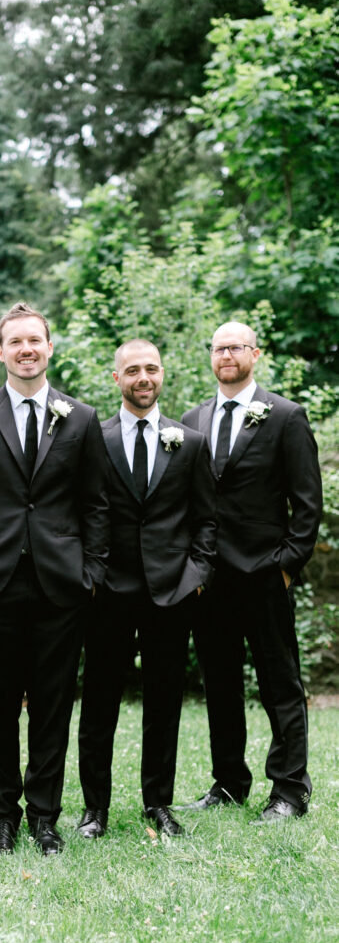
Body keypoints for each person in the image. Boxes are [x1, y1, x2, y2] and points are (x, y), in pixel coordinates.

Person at [0, 302, 109, 855]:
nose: (26, 349)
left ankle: (44, 815)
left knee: (53, 704)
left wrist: (90, 572)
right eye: (15, 342)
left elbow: (95, 504)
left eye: (35, 340)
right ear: (0, 352)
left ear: (49, 347)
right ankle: (2, 814)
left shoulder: (80, 417)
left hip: (61, 586)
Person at [180, 321, 322, 822]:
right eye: (218, 348)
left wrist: (284, 566)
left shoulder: (285, 416)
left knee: (279, 684)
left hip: (264, 575)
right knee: (219, 685)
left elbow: (307, 504)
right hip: (210, 580)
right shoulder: (191, 419)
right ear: (211, 356)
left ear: (254, 354)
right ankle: (229, 782)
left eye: (235, 347)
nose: (226, 355)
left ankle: (289, 789)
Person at [77, 339, 217, 838]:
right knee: (98, 705)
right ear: (116, 378)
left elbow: (205, 520)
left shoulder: (190, 441)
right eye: (132, 370)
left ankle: (158, 803)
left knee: (164, 704)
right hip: (108, 593)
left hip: (171, 595)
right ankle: (95, 810)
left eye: (151, 369)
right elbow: (81, 509)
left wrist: (195, 578)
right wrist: (90, 577)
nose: (143, 378)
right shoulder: (94, 436)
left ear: (162, 375)